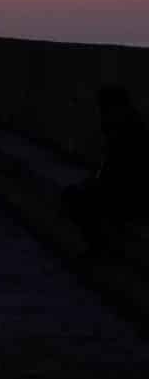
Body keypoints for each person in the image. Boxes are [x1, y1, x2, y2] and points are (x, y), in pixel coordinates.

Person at [61, 87, 148, 257]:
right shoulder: (119, 128)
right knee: (75, 195)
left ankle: (99, 248)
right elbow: (111, 170)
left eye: (105, 108)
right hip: (122, 192)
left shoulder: (130, 132)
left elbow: (127, 175)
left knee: (78, 199)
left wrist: (96, 185)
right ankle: (99, 245)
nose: (103, 113)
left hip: (133, 198)